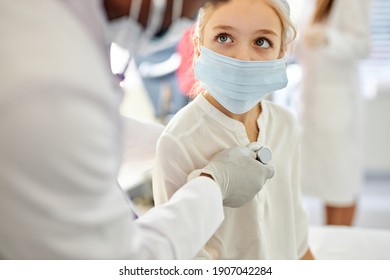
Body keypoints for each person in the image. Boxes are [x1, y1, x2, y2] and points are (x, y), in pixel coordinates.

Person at [0, 0, 274, 259]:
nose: (192, 15)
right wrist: (215, 187)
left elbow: (63, 137)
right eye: (202, 3)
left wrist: (173, 143)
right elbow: (122, 262)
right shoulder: (47, 76)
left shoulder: (55, 28)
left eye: (262, 41)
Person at [153, 0, 314, 259]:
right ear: (198, 46)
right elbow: (182, 255)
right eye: (224, 37)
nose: (243, 57)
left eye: (262, 42)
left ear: (281, 52)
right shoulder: (178, 142)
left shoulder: (285, 125)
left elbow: (296, 231)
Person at [296, 0, 372, 226]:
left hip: (339, 104)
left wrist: (328, 39)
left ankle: (341, 248)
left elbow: (362, 45)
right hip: (311, 100)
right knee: (324, 183)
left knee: (341, 184)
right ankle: (329, 247)